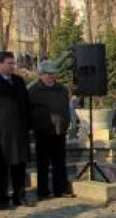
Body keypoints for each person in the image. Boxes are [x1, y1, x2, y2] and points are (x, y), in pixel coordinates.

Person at [29, 61, 74, 200]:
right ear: (41, 75)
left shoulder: (62, 89)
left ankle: (60, 189)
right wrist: (35, 125)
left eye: (53, 74)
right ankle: (43, 192)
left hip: (59, 131)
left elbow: (67, 108)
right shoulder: (34, 90)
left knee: (59, 162)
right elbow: (29, 111)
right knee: (43, 163)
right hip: (42, 132)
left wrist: (66, 123)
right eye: (48, 74)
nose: (51, 77)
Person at [0, 51, 34, 209]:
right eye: (9, 63)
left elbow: (26, 105)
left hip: (20, 131)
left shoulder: (19, 81)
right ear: (0, 64)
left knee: (19, 165)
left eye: (13, 63)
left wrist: (29, 126)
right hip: (2, 132)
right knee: (2, 167)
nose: (13, 66)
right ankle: (2, 199)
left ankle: (19, 196)